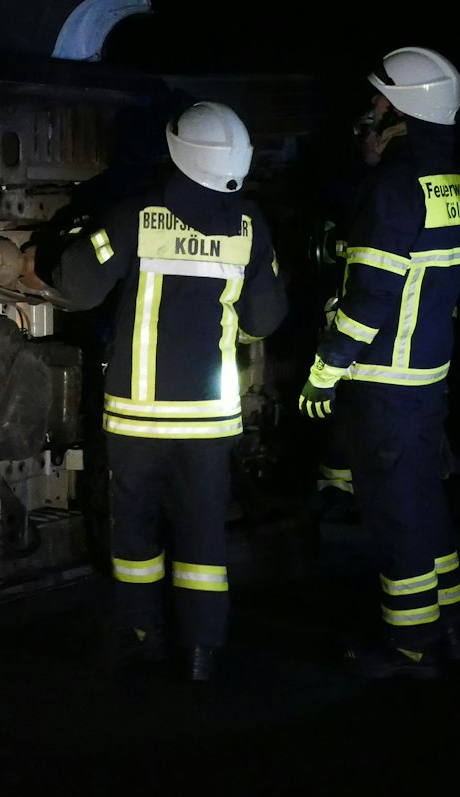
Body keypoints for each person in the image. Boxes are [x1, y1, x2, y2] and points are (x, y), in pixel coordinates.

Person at [29, 102, 287, 681]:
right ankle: (201, 651)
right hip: (209, 424)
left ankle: (140, 632)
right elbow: (266, 319)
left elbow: (77, 286)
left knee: (136, 531)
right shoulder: (249, 225)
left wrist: (61, 246)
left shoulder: (138, 216)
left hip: (138, 420)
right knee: (202, 534)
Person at [296, 47, 460, 679]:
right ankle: (446, 623)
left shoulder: (394, 188)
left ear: (401, 109)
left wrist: (325, 369)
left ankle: (409, 645)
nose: (369, 111)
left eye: (378, 101)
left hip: (387, 383)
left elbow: (369, 298)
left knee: (395, 512)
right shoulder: (444, 180)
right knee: (424, 502)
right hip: (425, 377)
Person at [308, 109, 404, 512]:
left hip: (391, 333)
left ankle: (376, 494)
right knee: (341, 409)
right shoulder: (352, 186)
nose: (364, 139)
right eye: (361, 132)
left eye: (369, 131)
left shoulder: (397, 190)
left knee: (382, 420)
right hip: (348, 319)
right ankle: (336, 490)